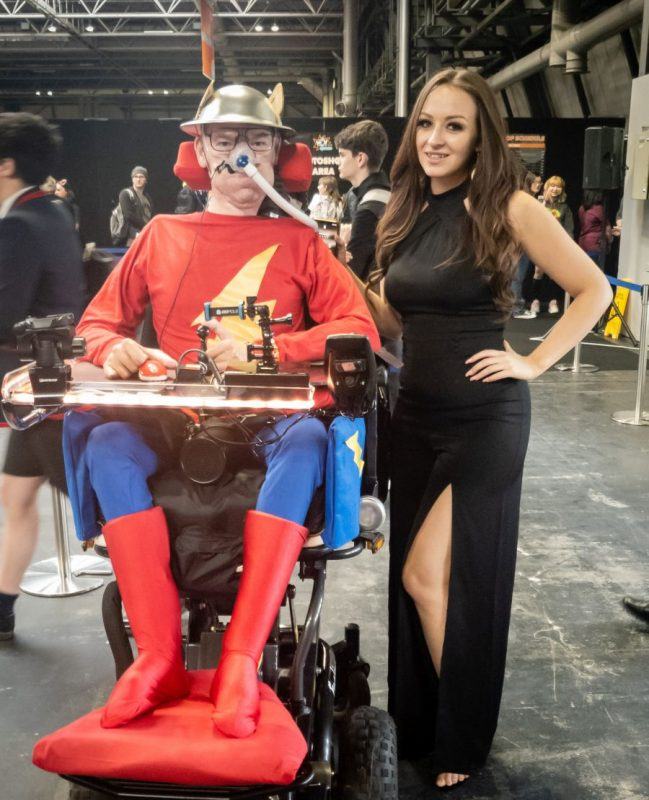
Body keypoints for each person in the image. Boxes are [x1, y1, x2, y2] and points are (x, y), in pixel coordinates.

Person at [63, 84, 379, 736]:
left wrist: (274, 349)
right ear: (201, 150)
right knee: (104, 446)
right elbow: (94, 326)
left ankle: (240, 659)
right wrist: (117, 344)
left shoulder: (300, 243)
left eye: (256, 141)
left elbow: (359, 331)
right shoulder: (160, 233)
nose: (241, 154)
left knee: (307, 445)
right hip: (174, 422)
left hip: (271, 422)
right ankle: (156, 657)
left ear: (276, 153)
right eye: (226, 140)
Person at [350, 68, 610, 788]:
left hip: (483, 420)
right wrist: (348, 285)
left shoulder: (508, 206)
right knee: (419, 583)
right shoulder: (404, 207)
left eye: (454, 126)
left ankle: (464, 739)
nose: (435, 139)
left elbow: (593, 288)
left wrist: (534, 362)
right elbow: (401, 320)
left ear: (479, 136)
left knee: (427, 576)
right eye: (426, 123)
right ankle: (431, 722)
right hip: (414, 416)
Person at [0, 112, 85, 641]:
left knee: (99, 510)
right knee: (17, 496)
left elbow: (6, 313)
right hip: (49, 384)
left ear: (6, 165)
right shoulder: (53, 211)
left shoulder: (18, 224)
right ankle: (2, 608)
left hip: (36, 388)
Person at [336, 120, 391, 281]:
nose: (338, 161)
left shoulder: (368, 209)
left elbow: (352, 274)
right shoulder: (388, 195)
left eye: (342, 155)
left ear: (360, 159)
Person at [530, 175, 574, 314]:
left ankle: (552, 301)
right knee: (538, 272)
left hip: (557, 244)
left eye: (558, 186)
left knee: (554, 273)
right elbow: (534, 219)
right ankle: (535, 301)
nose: (555, 189)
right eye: (552, 186)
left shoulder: (565, 207)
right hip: (541, 242)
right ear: (546, 187)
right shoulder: (539, 202)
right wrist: (544, 200)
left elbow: (569, 228)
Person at [511, 172, 541, 319]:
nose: (539, 185)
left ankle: (515, 307)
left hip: (526, 243)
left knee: (518, 276)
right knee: (516, 276)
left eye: (540, 182)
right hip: (518, 243)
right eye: (536, 182)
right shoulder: (524, 199)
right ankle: (516, 309)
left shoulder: (531, 199)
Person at [118, 165, 153, 245]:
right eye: (135, 177)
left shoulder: (147, 198)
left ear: (146, 180)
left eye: (141, 177)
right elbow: (128, 215)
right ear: (132, 179)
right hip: (130, 236)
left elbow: (149, 216)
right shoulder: (125, 194)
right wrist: (146, 226)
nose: (138, 179)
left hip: (145, 234)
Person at [578, 190, 611, 269]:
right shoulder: (598, 209)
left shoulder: (582, 208)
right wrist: (609, 241)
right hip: (595, 245)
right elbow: (607, 228)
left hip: (582, 244)